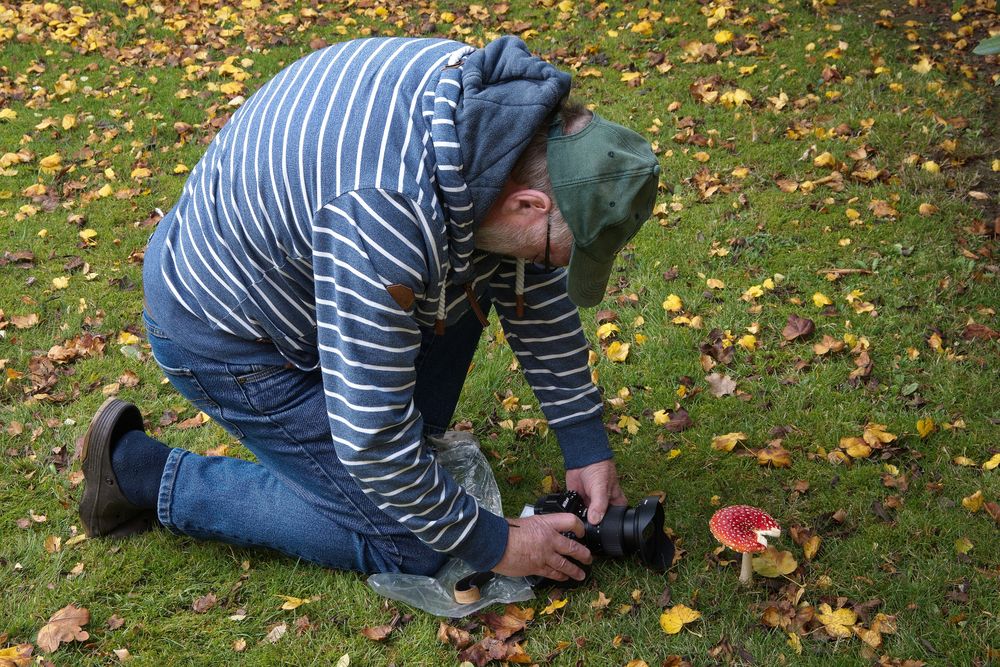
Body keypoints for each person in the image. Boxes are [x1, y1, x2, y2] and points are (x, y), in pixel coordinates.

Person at [79, 35, 660, 584]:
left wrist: (584, 439)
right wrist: (497, 543)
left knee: (499, 261)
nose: (557, 267)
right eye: (561, 251)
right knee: (415, 543)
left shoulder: (501, 119)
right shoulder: (386, 213)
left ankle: (356, 453)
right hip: (230, 333)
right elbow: (374, 442)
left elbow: (527, 280)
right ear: (529, 202)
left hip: (320, 275)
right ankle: (139, 471)